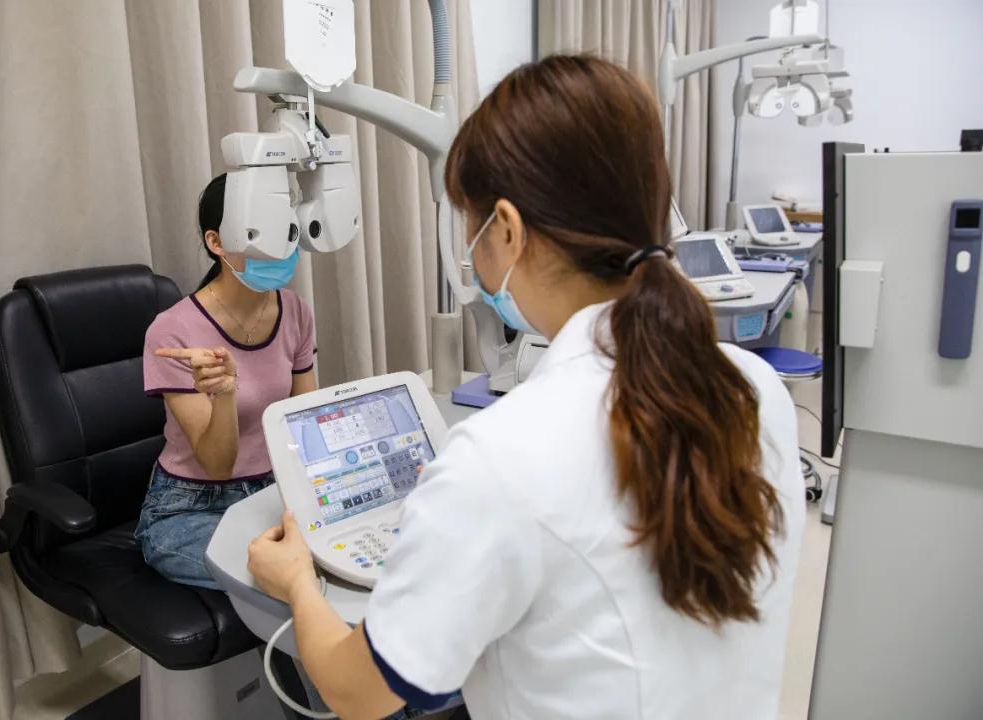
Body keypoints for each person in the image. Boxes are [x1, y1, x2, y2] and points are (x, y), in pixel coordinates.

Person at [246, 55, 805, 720]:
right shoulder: (753, 387)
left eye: (471, 224)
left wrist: (297, 583)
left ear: (507, 230)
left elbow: (355, 691)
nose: (471, 250)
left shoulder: (500, 459)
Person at [136, 173, 317, 590]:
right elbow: (218, 465)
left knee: (349, 554)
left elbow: (301, 424)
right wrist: (223, 393)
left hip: (273, 492)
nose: (277, 246)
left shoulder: (295, 312)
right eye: (258, 232)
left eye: (284, 230)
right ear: (216, 242)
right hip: (191, 508)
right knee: (293, 577)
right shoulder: (172, 331)